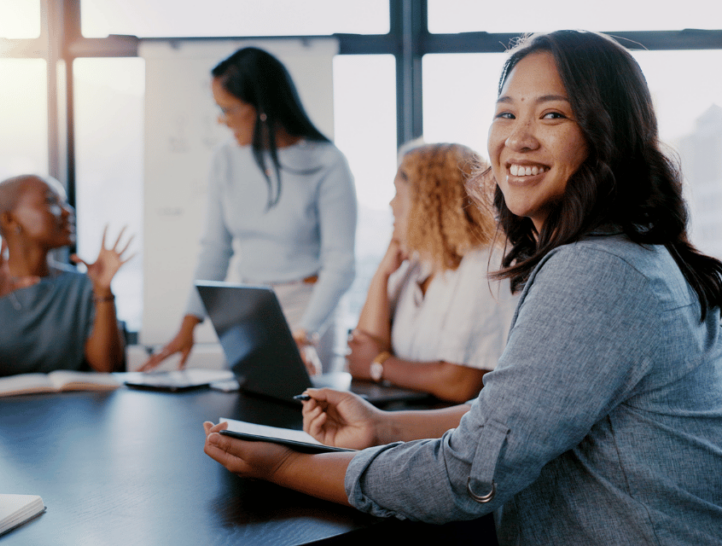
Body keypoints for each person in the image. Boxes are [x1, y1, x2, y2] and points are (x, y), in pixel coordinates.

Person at [202, 30, 722, 544]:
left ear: (608, 134)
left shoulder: (595, 271)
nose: (517, 138)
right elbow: (517, 416)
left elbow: (464, 475)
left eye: (552, 114)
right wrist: (386, 428)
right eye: (506, 113)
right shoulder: (624, 252)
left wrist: (282, 466)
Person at [142, 46, 357, 374]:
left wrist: (306, 334)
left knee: (312, 416)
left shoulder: (327, 162)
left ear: (262, 108)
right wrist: (188, 328)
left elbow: (340, 262)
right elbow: (215, 250)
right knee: (247, 413)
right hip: (252, 310)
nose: (221, 119)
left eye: (227, 109)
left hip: (311, 309)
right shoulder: (224, 160)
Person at [347, 143, 516, 402]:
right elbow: (363, 347)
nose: (391, 204)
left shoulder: (486, 263)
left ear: (430, 200)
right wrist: (382, 275)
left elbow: (459, 383)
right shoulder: (417, 264)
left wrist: (379, 365)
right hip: (407, 414)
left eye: (399, 193)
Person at [0, 175, 132, 381]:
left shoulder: (83, 284)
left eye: (64, 202)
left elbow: (106, 366)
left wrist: (103, 291)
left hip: (68, 409)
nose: (68, 211)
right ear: (10, 220)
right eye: (51, 201)